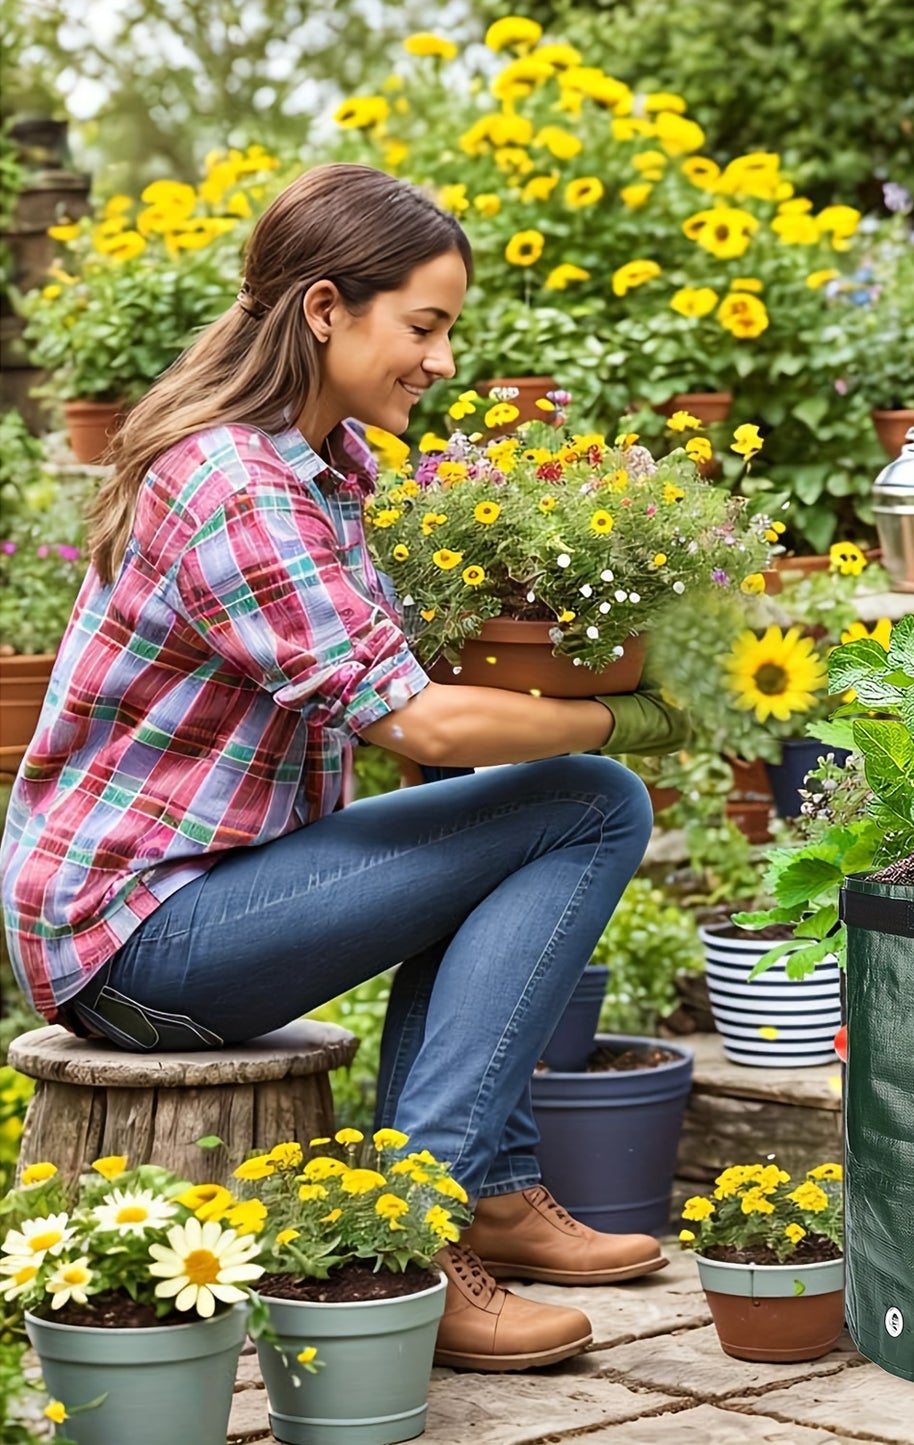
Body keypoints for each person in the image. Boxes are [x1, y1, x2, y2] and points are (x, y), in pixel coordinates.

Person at [0, 163, 692, 1370]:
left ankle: (491, 1183)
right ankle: (410, 1229)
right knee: (589, 799)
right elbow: (413, 719)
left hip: (204, 893)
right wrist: (618, 721)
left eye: (448, 330)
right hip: (131, 934)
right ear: (326, 309)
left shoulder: (327, 469)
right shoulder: (233, 485)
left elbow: (407, 710)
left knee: (509, 816)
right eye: (423, 325)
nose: (441, 358)